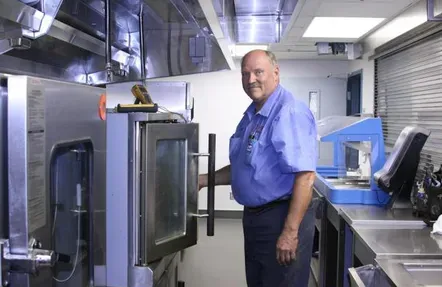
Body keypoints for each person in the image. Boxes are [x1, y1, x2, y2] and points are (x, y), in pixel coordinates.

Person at [198, 49, 317, 287]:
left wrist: (290, 232)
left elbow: (305, 177)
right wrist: (203, 179)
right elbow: (245, 167)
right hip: (256, 219)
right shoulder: (254, 114)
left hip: (281, 217)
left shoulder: (288, 112)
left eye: (258, 72)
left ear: (275, 73)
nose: (251, 79)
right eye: (245, 73)